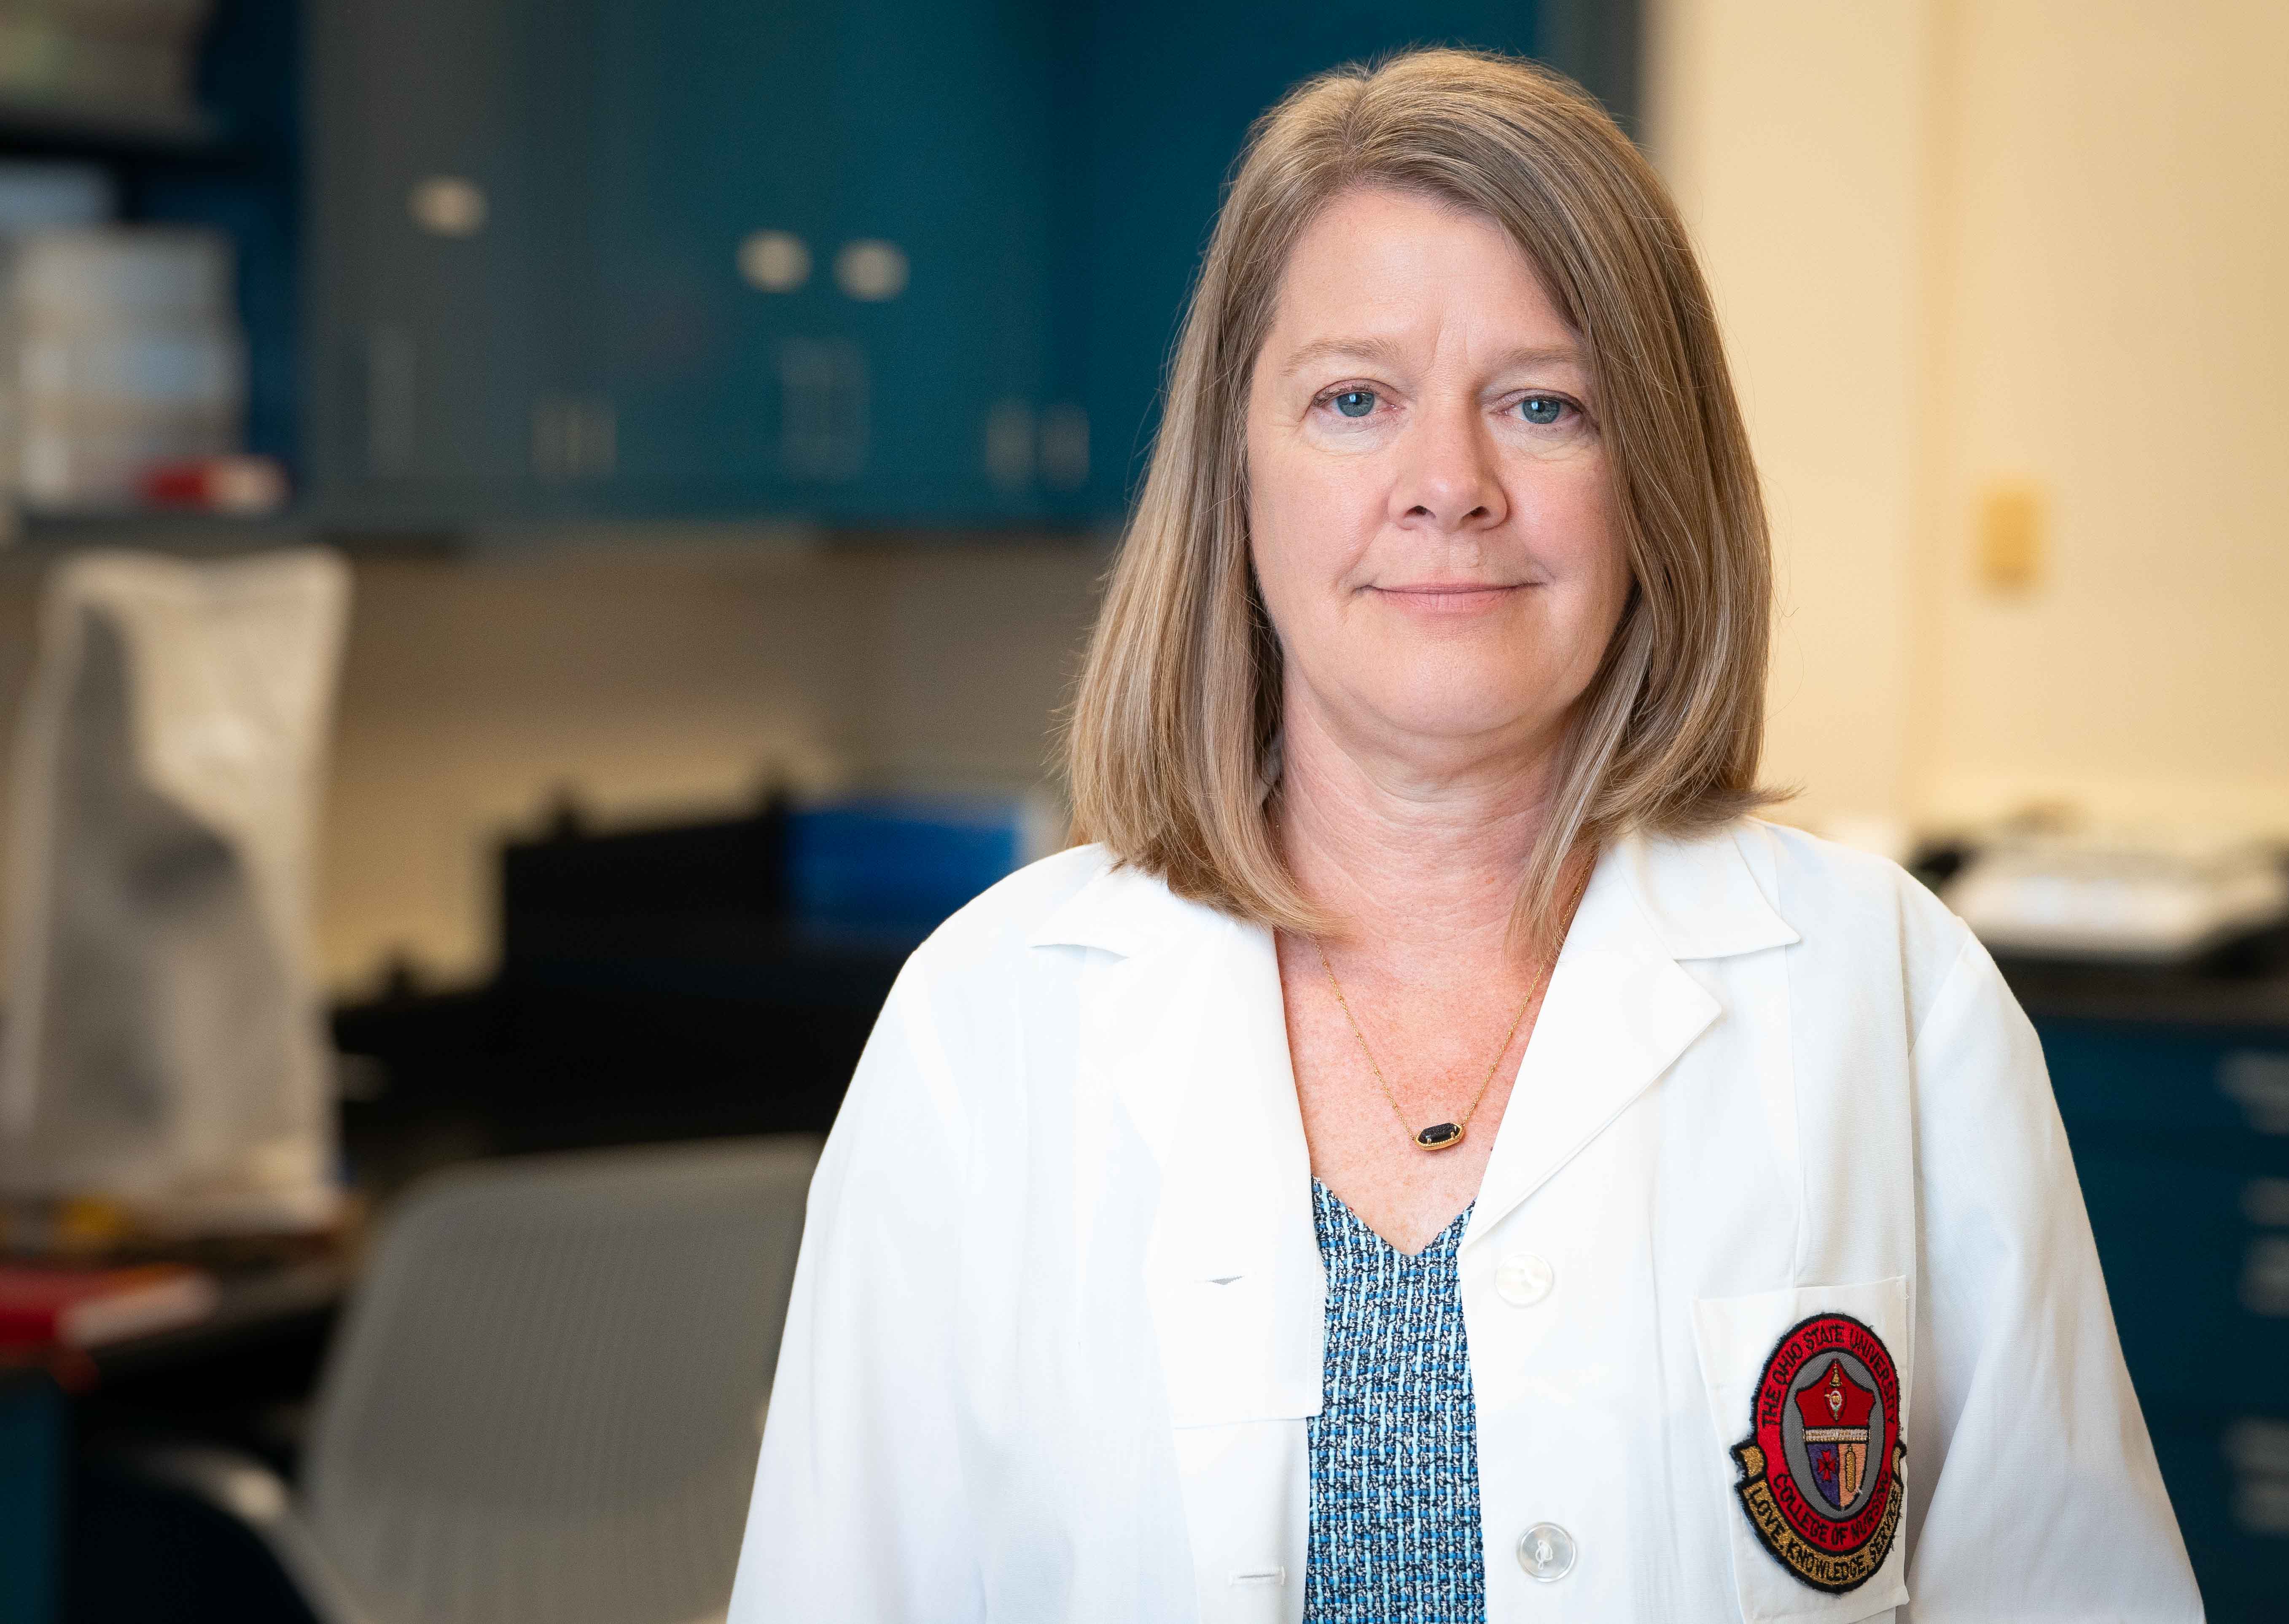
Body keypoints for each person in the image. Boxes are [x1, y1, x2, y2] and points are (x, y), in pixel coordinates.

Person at [730, 48, 2200, 1624]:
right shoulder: (988, 1021)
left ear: (1658, 481)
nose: (1450, 484)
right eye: (1353, 399)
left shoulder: (1886, 996)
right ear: (1237, 476)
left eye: (1543, 403)